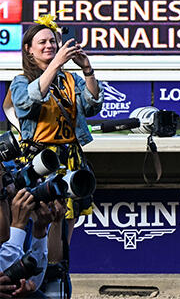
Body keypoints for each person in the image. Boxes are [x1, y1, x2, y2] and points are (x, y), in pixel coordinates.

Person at [7, 19, 104, 283]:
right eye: (43, 42)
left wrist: (87, 70)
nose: (49, 45)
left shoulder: (70, 79)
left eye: (53, 41)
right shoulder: (20, 80)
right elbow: (28, 101)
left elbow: (93, 105)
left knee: (63, 225)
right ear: (28, 49)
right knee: (33, 224)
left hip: (70, 159)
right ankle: (24, 280)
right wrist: (56, 65)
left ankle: (58, 278)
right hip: (39, 161)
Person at [0, 184, 66, 298]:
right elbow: (3, 273)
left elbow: (35, 282)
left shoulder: (27, 219)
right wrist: (18, 226)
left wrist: (40, 231)